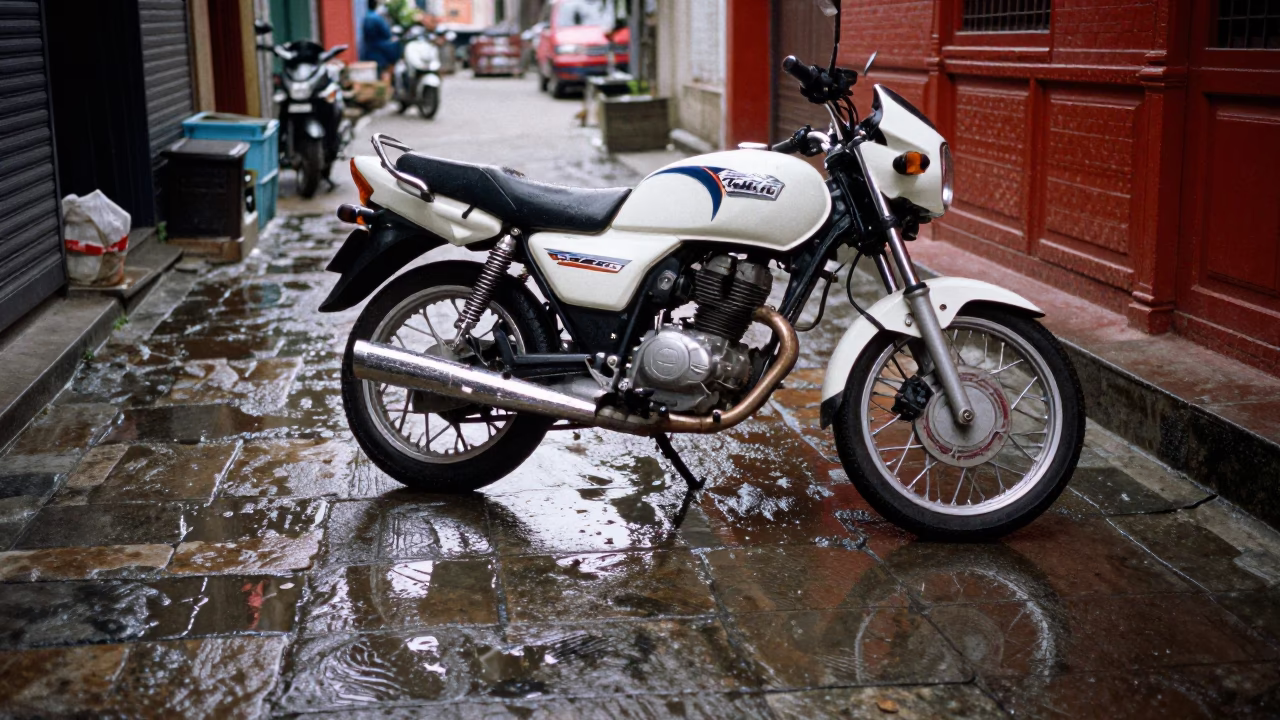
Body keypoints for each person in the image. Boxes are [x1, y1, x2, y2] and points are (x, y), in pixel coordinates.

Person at [360, 0, 400, 76]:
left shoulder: (366, 17)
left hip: (368, 51)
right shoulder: (377, 18)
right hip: (379, 52)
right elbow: (387, 34)